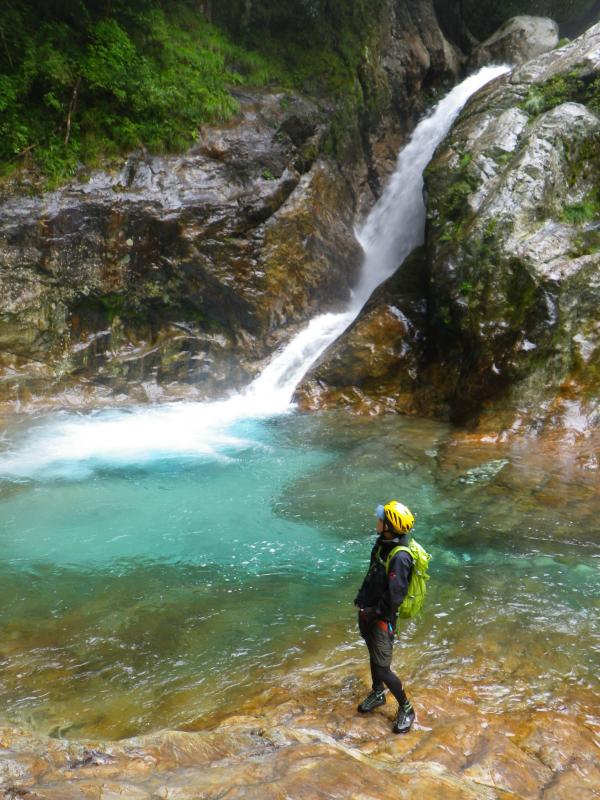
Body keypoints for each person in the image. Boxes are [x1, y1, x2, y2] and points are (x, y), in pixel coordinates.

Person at [354, 500, 416, 734]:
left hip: (381, 618)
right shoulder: (382, 544)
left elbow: (394, 598)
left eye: (381, 519)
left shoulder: (400, 558)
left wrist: (373, 613)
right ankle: (378, 693)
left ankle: (406, 708)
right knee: (373, 654)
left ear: (389, 526)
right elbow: (372, 574)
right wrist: (361, 598)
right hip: (368, 612)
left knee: (382, 668)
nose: (377, 521)